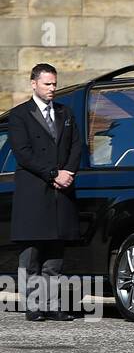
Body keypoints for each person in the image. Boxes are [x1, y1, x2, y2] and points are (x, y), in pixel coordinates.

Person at [10, 64, 84, 321]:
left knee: (55, 255)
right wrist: (54, 174)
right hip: (34, 191)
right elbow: (23, 153)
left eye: (54, 84)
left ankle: (52, 305)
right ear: (33, 84)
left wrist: (68, 173)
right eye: (47, 84)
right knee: (31, 253)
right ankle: (33, 306)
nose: (52, 89)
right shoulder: (20, 115)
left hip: (61, 192)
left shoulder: (65, 112)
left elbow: (77, 145)